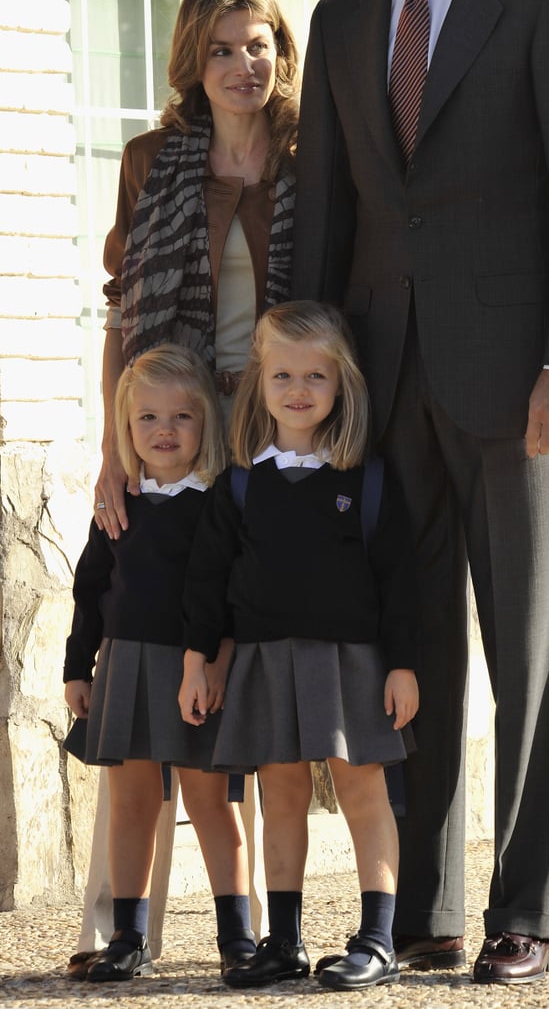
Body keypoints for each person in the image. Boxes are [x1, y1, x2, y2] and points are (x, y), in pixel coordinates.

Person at [290, 0, 549, 987]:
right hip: (385, 393)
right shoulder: (336, 26)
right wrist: (314, 387)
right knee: (409, 651)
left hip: (519, 388)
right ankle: (423, 908)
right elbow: (324, 222)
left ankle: (525, 911)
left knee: (530, 655)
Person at [68, 0, 300, 975]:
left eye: (259, 45)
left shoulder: (312, 153)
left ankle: (251, 925)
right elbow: (125, 316)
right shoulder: (152, 161)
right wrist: (117, 449)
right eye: (221, 48)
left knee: (238, 663)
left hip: (284, 423)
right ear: (189, 62)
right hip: (180, 420)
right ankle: (124, 930)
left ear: (281, 53)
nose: (242, 65)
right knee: (150, 674)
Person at [179, 300, 419, 992]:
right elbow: (208, 580)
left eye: (316, 374)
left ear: (342, 382)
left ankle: (377, 939)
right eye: (282, 374)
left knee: (362, 792)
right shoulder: (242, 483)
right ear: (260, 380)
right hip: (263, 659)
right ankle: (283, 939)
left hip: (353, 662)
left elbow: (399, 578)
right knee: (279, 797)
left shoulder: (366, 479)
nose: (299, 389)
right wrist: (200, 659)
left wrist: (402, 664)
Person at [64, 345, 256, 982]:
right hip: (124, 668)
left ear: (207, 424)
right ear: (125, 429)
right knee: (132, 805)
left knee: (210, 804)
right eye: (147, 419)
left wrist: (215, 664)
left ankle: (238, 936)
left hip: (191, 671)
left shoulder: (217, 502)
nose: (164, 431)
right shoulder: (118, 506)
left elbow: (230, 594)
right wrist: (77, 668)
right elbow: (90, 590)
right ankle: (128, 935)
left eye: (181, 417)